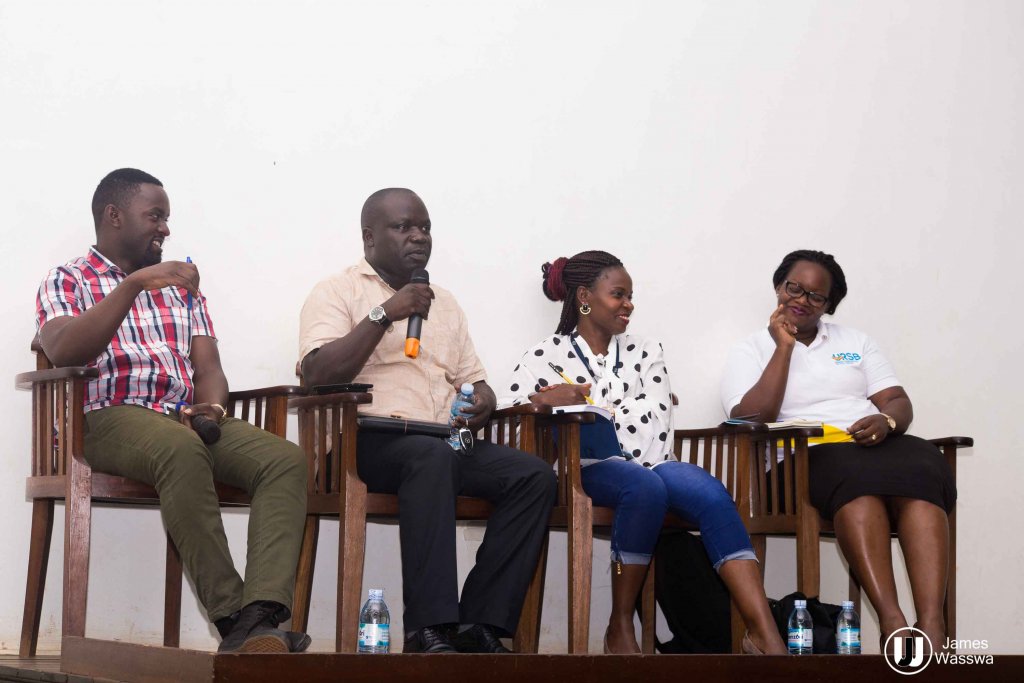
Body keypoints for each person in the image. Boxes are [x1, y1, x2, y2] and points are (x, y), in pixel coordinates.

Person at [35, 169, 309, 653]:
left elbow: (209, 368)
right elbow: (64, 351)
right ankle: (231, 618)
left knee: (284, 460)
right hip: (102, 417)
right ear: (113, 216)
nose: (165, 229)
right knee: (181, 451)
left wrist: (214, 404)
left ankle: (260, 614)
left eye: (167, 218)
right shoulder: (69, 278)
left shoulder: (183, 288)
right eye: (155, 216)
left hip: (181, 418)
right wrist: (135, 285)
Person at [298, 188, 556, 654]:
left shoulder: (446, 302)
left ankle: (481, 622)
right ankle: (430, 627)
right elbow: (317, 374)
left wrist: (483, 402)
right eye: (404, 227)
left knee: (533, 476)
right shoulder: (336, 291)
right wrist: (385, 313)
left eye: (425, 227)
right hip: (367, 441)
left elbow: (477, 382)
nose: (418, 236)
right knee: (430, 458)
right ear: (369, 237)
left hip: (443, 438)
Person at [500, 250, 786, 655]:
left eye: (631, 295)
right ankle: (620, 624)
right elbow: (516, 419)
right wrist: (545, 401)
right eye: (618, 294)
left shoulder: (646, 349)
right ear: (585, 297)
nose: (628, 304)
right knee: (643, 487)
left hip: (653, 460)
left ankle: (763, 631)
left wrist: (586, 400)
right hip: (584, 466)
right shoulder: (545, 355)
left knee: (710, 493)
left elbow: (657, 415)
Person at [720, 249, 956, 651]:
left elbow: (897, 399)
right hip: (799, 460)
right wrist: (784, 347)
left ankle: (933, 627)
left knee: (923, 471)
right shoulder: (752, 349)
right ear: (779, 287)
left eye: (816, 296)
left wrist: (887, 422)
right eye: (794, 287)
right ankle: (893, 621)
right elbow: (750, 417)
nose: (801, 299)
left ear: (829, 305)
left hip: (869, 445)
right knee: (858, 492)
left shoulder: (855, 342)